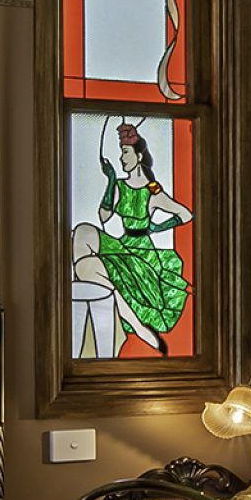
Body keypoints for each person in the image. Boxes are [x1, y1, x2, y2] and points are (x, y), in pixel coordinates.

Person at [92, 118, 192, 349]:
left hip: (144, 252)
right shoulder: (118, 186)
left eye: (126, 152)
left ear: (138, 156)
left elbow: (185, 214)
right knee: (84, 237)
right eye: (121, 153)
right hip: (123, 244)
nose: (121, 158)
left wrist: (157, 227)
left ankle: (138, 327)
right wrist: (109, 181)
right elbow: (104, 216)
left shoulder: (152, 192)